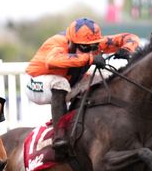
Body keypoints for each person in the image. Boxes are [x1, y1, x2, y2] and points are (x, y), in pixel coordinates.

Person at [25, 17, 139, 158]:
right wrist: (90, 58)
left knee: (104, 78)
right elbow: (52, 60)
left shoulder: (94, 43)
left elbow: (129, 37)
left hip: (68, 82)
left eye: (93, 46)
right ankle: (60, 136)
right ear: (72, 42)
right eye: (85, 47)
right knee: (60, 83)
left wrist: (126, 49)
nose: (90, 50)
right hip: (35, 83)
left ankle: (89, 123)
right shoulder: (57, 43)